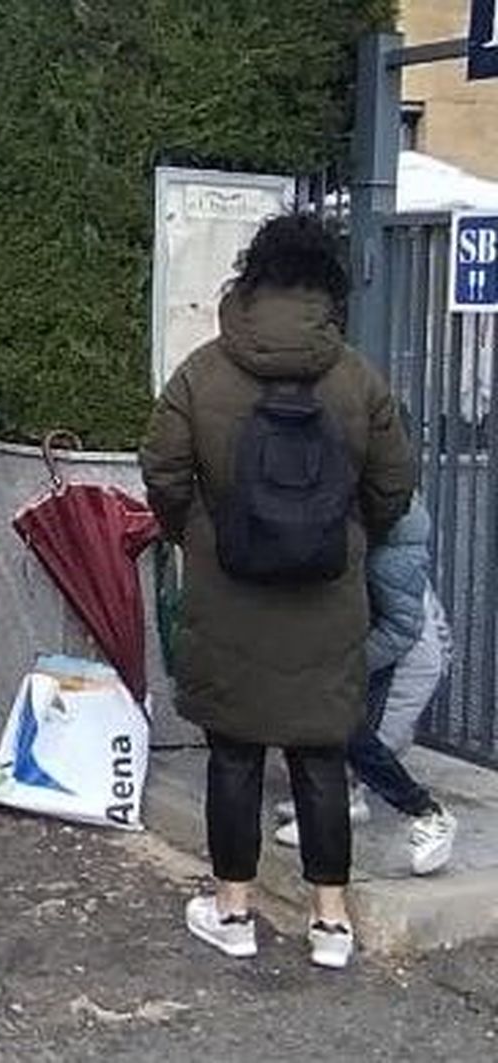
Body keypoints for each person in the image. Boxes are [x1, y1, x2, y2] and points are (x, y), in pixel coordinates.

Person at [140, 213, 417, 971]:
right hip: (327, 596)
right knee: (321, 757)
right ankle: (330, 923)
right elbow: (395, 480)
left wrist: (197, 530)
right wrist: (346, 531)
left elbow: (162, 469)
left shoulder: (203, 370)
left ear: (250, 281)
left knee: (232, 755)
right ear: (326, 287)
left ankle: (233, 909)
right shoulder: (358, 377)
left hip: (228, 593)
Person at [273, 493, 457, 875]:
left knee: (356, 734)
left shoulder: (391, 550)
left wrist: (343, 666)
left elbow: (401, 630)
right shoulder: (360, 525)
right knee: (330, 722)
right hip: (366, 639)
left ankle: (425, 812)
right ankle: (335, 803)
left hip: (398, 653)